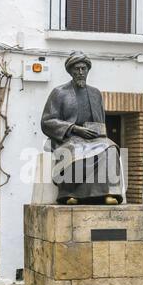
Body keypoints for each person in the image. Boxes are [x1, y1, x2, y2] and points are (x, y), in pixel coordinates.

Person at [41, 51, 124, 205]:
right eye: (77, 69)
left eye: (83, 69)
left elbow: (101, 121)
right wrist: (74, 129)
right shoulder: (59, 93)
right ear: (70, 71)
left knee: (111, 147)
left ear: (87, 70)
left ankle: (108, 193)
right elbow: (47, 121)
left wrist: (98, 132)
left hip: (93, 139)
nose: (80, 72)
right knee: (74, 150)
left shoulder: (95, 93)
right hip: (68, 138)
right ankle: (70, 194)